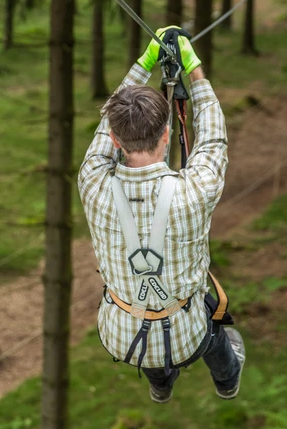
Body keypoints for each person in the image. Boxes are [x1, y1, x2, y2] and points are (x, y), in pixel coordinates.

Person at [78, 26, 245, 403]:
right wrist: (195, 70)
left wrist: (144, 63)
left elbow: (105, 127)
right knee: (212, 325)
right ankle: (227, 381)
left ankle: (160, 385)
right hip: (186, 332)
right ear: (167, 134)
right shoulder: (194, 191)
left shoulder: (92, 182)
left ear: (117, 141)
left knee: (152, 335)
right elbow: (214, 138)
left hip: (122, 332)